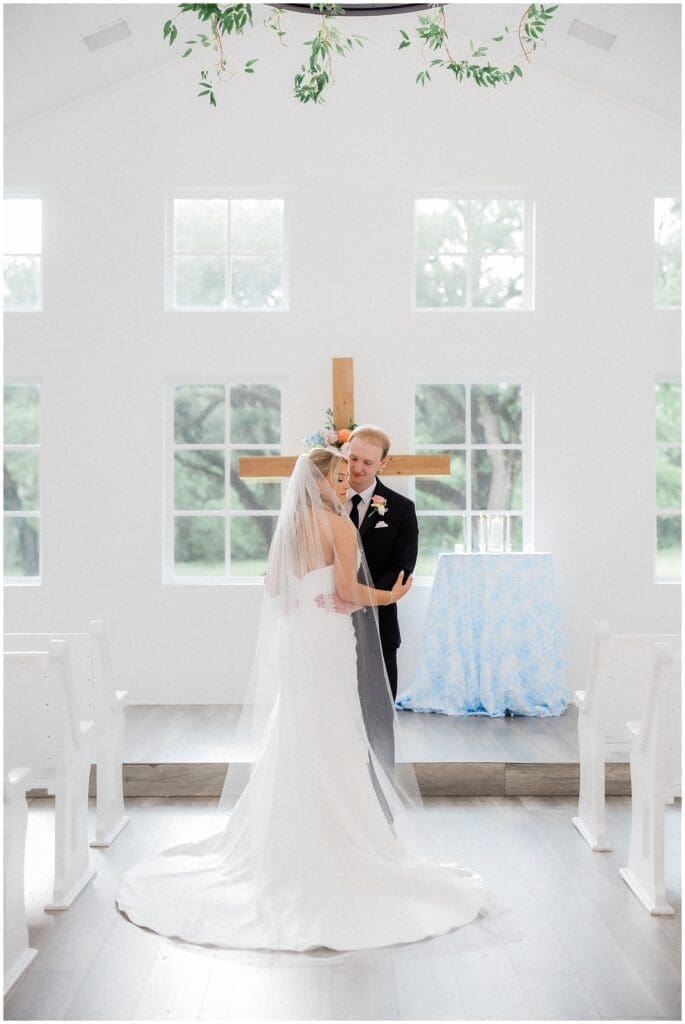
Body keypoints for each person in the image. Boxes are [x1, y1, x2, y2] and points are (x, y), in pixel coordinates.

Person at [116, 449, 487, 952]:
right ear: (319, 482)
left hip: (295, 639)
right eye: (337, 476)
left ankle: (284, 845)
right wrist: (389, 597)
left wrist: (303, 597)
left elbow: (273, 586)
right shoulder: (337, 526)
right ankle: (339, 840)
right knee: (334, 729)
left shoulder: (288, 528)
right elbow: (346, 591)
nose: (342, 484)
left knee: (295, 727)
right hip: (327, 640)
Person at [345, 425, 418, 701]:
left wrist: (357, 597)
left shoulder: (401, 509)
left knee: (378, 713)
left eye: (367, 462)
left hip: (378, 625)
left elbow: (402, 569)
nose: (358, 469)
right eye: (353, 459)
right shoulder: (324, 502)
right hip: (328, 622)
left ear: (383, 463)